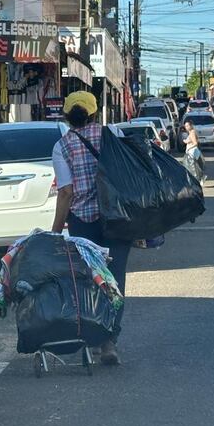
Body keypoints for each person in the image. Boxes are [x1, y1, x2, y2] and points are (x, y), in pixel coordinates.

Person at [51, 90, 131, 365]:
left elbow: (66, 193)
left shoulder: (62, 146)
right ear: (95, 113)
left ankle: (95, 339)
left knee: (90, 281)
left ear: (67, 116)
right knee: (115, 279)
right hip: (117, 218)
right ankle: (110, 341)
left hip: (83, 223)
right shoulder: (113, 134)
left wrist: (55, 231)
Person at [183, 119, 206, 185]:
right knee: (195, 167)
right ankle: (200, 178)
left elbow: (195, 143)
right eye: (185, 126)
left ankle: (197, 180)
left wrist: (189, 148)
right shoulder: (191, 132)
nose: (186, 127)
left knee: (193, 167)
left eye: (187, 126)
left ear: (191, 125)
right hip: (193, 152)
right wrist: (186, 141)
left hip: (192, 152)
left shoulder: (192, 132)